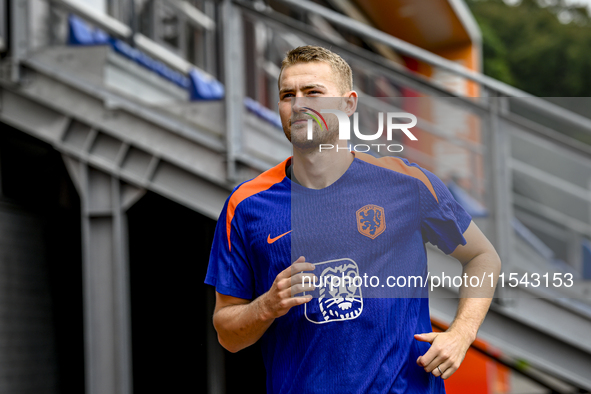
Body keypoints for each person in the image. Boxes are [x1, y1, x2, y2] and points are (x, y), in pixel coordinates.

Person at [205, 45, 501, 393]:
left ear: (348, 104)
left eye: (314, 92)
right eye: (288, 95)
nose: (299, 104)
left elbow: (483, 257)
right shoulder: (246, 205)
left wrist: (462, 334)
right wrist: (268, 305)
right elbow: (228, 334)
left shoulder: (407, 183)